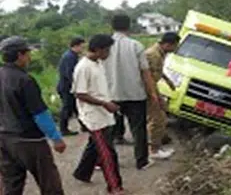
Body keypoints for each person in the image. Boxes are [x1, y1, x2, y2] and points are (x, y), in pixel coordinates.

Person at [0, 36, 66, 195]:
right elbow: (40, 114)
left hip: (4, 139)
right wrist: (56, 138)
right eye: (27, 53)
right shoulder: (24, 80)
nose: (29, 57)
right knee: (50, 183)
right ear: (19, 55)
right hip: (30, 140)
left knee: (12, 184)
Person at [103, 14, 159, 170]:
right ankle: (141, 161)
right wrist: (153, 93)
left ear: (112, 26)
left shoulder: (104, 46)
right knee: (138, 129)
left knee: (108, 130)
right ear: (129, 26)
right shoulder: (136, 45)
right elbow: (145, 72)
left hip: (111, 95)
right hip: (135, 94)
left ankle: (104, 161)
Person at [71, 34, 125, 195]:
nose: (109, 53)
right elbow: (80, 93)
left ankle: (81, 173)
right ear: (99, 49)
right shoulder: (83, 67)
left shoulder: (98, 63)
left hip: (104, 113)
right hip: (93, 117)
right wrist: (104, 103)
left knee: (95, 146)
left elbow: (98, 89)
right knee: (107, 153)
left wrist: (109, 101)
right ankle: (114, 187)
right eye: (107, 50)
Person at [145, 32, 180, 159]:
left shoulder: (159, 53)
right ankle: (153, 149)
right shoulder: (153, 55)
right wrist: (155, 95)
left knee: (160, 115)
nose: (175, 49)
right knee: (157, 118)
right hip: (149, 89)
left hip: (152, 88)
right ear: (167, 44)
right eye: (175, 46)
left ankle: (155, 145)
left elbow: (158, 71)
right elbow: (148, 76)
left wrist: (168, 80)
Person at [57, 37, 87, 135]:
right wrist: (77, 86)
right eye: (82, 47)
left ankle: (84, 126)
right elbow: (70, 74)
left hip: (68, 86)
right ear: (76, 46)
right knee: (67, 109)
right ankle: (63, 129)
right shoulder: (70, 57)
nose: (83, 49)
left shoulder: (71, 56)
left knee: (76, 108)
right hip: (67, 87)